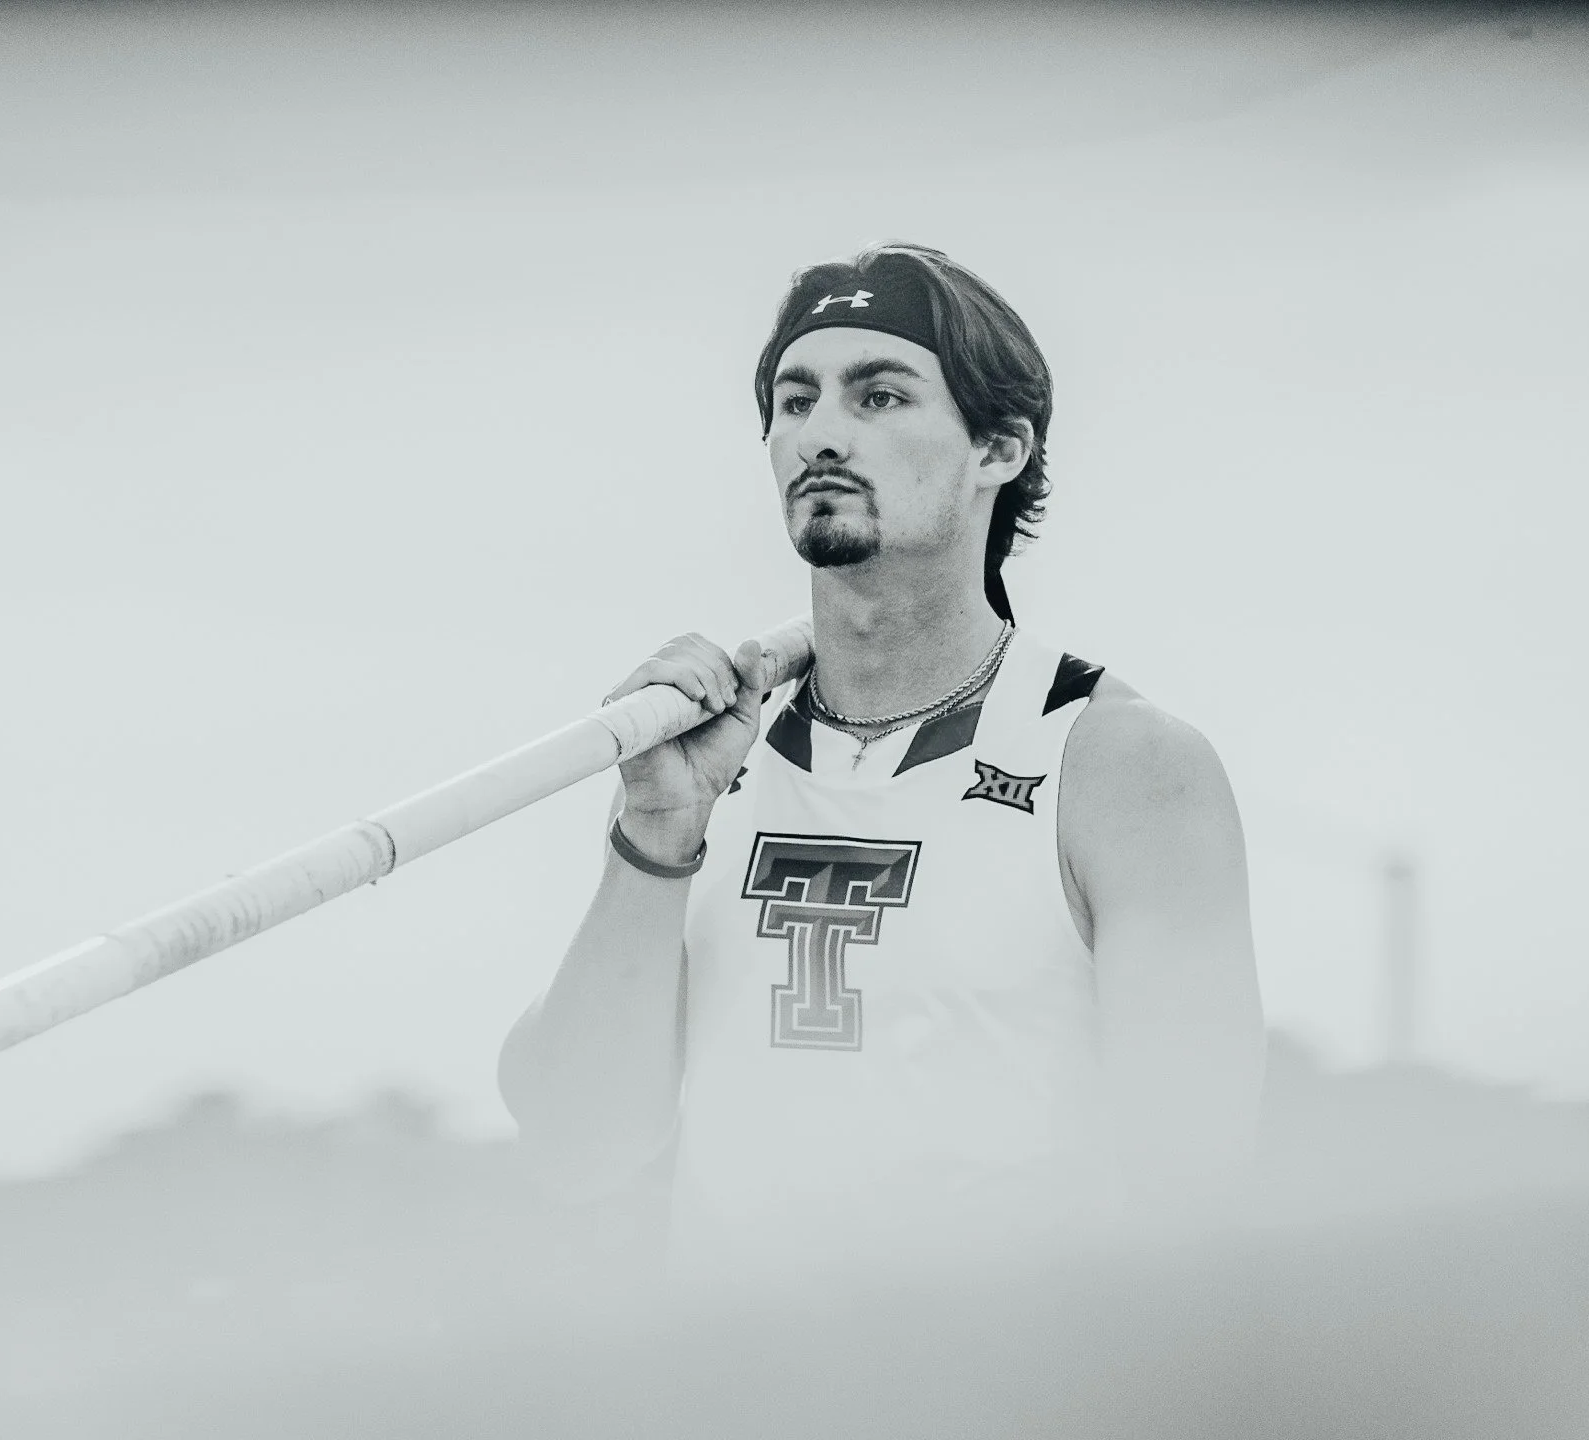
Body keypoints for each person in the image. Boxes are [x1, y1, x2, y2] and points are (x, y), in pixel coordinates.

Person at [497, 242, 1265, 1279]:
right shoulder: (707, 758)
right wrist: (653, 838)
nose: (819, 433)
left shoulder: (1120, 763)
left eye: (880, 396)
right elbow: (576, 1148)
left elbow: (1194, 1195)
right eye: (794, 399)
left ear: (997, 446)